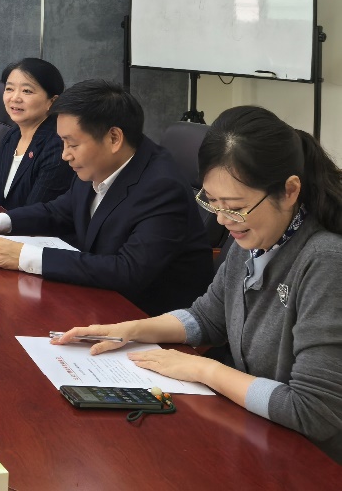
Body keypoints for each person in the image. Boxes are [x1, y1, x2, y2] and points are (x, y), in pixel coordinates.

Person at [55, 106, 342, 463]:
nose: (222, 220)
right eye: (212, 202)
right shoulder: (254, 234)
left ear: (289, 191)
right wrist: (129, 330)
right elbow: (208, 317)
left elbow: (312, 410)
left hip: (309, 459)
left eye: (234, 206)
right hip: (254, 430)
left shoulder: (326, 260)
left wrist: (204, 369)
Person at [0, 79, 213, 314]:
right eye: (63, 142)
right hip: (94, 298)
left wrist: (25, 257)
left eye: (73, 144)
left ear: (114, 138)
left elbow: (128, 271)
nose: (65, 154)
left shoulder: (162, 187)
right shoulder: (100, 162)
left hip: (146, 318)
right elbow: (60, 210)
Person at [0, 58, 76, 209]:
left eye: (27, 91)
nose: (14, 98)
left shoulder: (57, 147)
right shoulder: (12, 135)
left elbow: (36, 213)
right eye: (9, 89)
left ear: (52, 101)